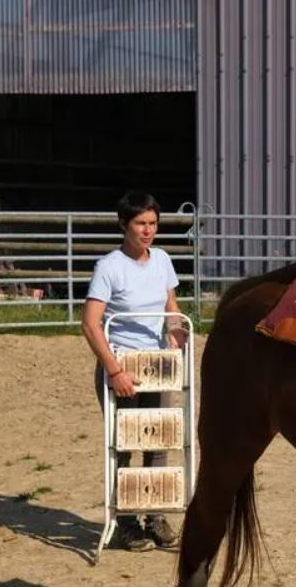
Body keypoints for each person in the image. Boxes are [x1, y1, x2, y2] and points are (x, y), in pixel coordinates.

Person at [80, 191, 186, 552]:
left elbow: (171, 305)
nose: (148, 231)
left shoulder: (162, 261)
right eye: (141, 223)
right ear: (124, 224)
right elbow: (91, 324)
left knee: (158, 440)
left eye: (153, 223)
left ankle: (155, 516)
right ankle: (126, 523)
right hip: (123, 366)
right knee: (123, 445)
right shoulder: (109, 266)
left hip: (157, 366)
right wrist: (114, 370)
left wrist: (175, 330)